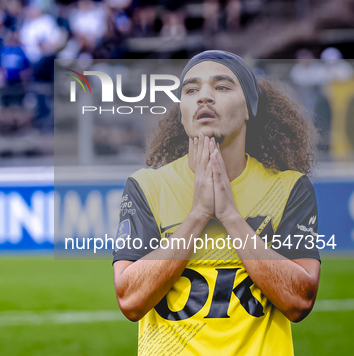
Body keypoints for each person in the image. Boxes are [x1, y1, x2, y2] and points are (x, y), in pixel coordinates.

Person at [113, 50, 321, 356]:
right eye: (191, 90)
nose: (204, 98)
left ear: (249, 107)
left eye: (222, 87)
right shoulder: (147, 186)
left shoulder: (289, 187)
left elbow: (299, 302)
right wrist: (197, 215)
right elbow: (130, 302)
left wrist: (230, 216)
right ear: (181, 110)